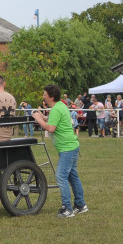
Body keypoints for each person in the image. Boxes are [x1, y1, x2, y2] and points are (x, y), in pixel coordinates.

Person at [33, 84, 88, 218]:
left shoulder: (57, 109)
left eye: (45, 95)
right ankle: (80, 205)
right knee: (72, 176)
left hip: (67, 148)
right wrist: (42, 116)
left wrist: (39, 119)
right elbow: (54, 120)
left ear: (51, 97)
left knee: (61, 176)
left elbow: (51, 128)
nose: (43, 97)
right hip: (72, 146)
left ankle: (67, 209)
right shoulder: (60, 106)